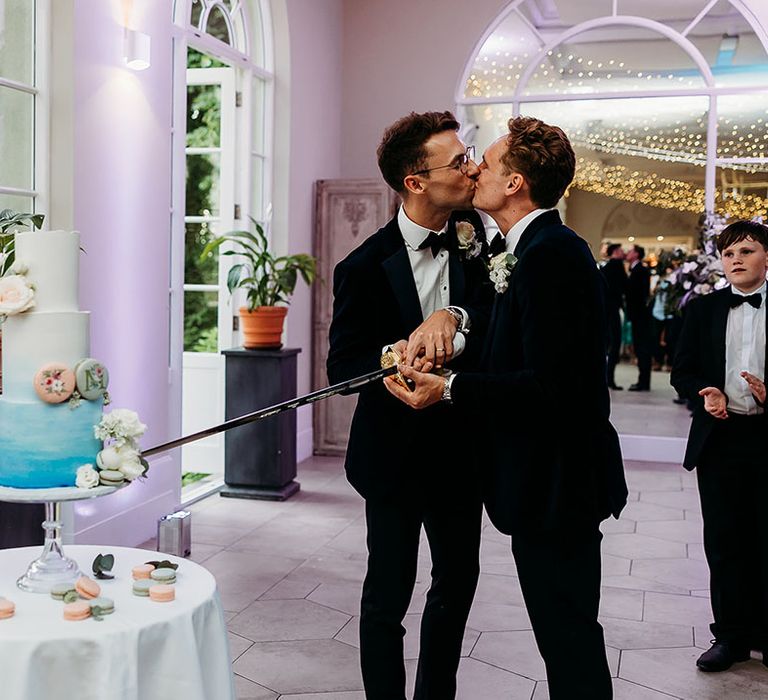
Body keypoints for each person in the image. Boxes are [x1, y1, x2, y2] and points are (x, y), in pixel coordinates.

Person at [387, 116, 628, 699]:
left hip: (560, 484)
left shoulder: (554, 254)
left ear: (515, 182)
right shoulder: (523, 249)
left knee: (568, 635)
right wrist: (445, 330)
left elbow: (552, 389)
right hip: (539, 483)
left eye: (487, 164)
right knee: (561, 633)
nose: (475, 170)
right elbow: (504, 341)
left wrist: (446, 390)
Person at [326, 110, 492, 700]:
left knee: (457, 584)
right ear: (415, 182)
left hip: (465, 448)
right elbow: (342, 371)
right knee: (388, 593)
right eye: (457, 160)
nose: (471, 167)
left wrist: (456, 317)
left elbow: (500, 327)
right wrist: (392, 354)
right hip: (393, 457)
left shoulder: (483, 242)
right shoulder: (363, 267)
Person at [671, 219, 768, 673]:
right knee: (725, 541)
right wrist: (704, 392)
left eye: (746, 251)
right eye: (729, 254)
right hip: (721, 440)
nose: (736, 260)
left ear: (766, 256)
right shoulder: (703, 311)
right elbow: (682, 370)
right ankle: (729, 637)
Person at [625, 244, 653, 390]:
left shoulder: (639, 270)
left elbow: (637, 295)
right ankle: (643, 380)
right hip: (639, 315)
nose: (627, 253)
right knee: (641, 348)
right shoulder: (636, 269)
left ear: (636, 254)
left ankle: (643, 381)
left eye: (630, 251)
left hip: (640, 315)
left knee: (642, 348)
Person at [601, 243, 627, 389]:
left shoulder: (605, 268)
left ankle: (606, 378)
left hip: (605, 310)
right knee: (614, 344)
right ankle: (609, 379)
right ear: (616, 252)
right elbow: (625, 286)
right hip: (613, 310)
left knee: (606, 344)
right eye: (621, 250)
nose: (624, 252)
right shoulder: (617, 266)